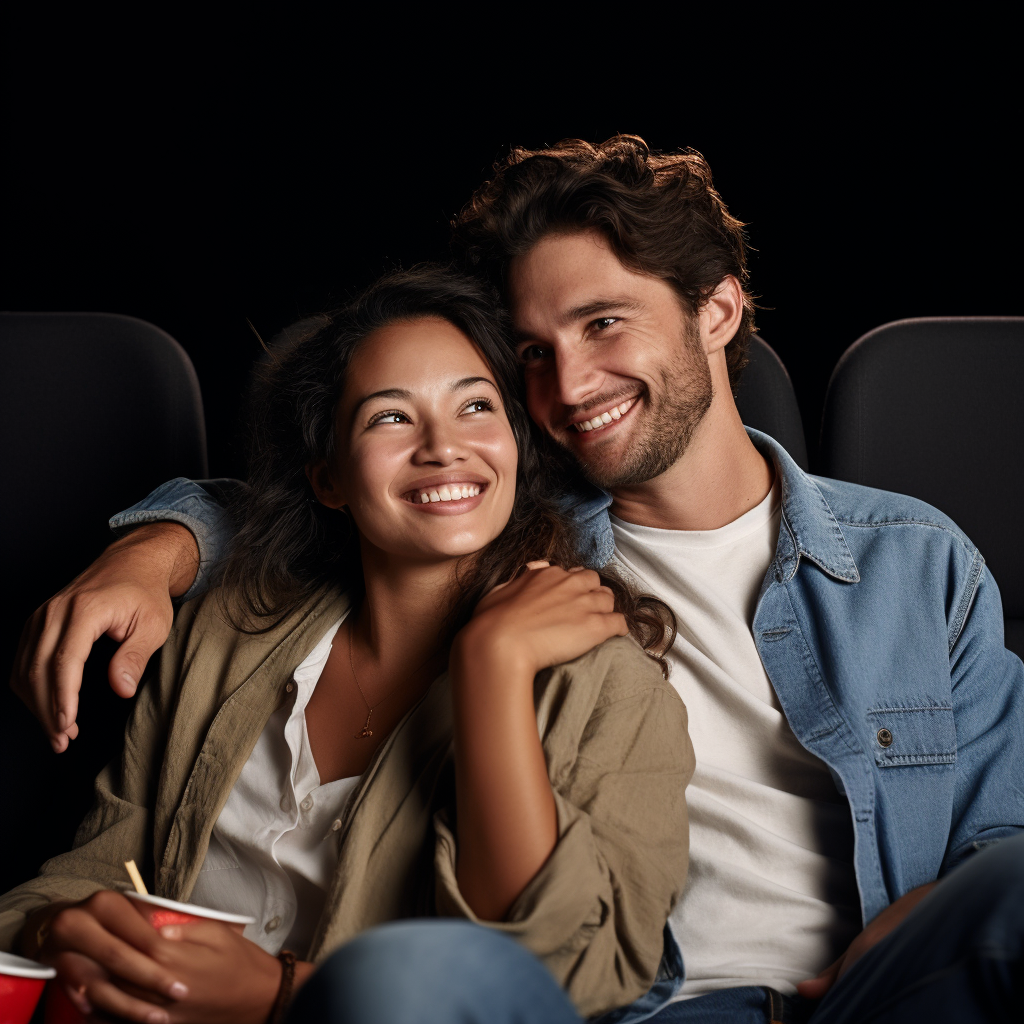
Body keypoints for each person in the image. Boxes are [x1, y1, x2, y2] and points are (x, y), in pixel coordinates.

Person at [10, 136, 1024, 1023]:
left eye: (603, 324)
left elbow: (1000, 832)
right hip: (640, 999)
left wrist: (901, 933)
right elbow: (312, 500)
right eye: (532, 353)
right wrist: (154, 546)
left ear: (716, 309)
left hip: (875, 984)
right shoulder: (514, 548)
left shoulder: (913, 559)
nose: (569, 386)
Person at [0, 266, 695, 1023]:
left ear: (518, 450)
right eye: (390, 418)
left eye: (475, 407)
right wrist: (55, 929)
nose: (442, 447)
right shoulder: (224, 633)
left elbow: (555, 977)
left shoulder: (610, 688)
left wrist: (490, 669)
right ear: (329, 477)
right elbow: (97, 871)